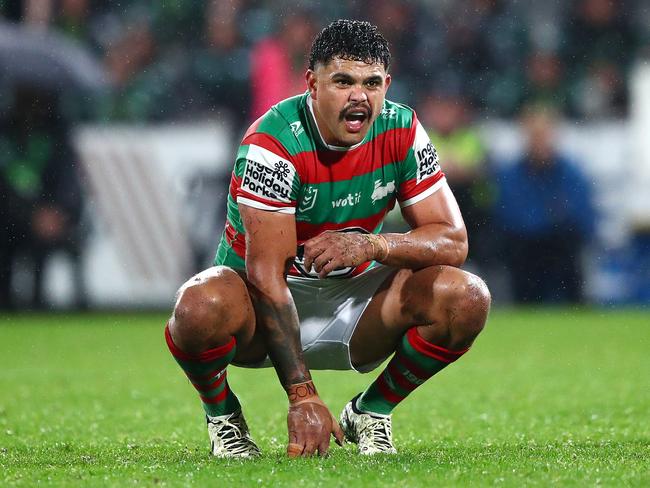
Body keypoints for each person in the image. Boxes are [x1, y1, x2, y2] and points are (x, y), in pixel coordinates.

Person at [165, 19, 491, 458]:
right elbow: (265, 276)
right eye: (343, 81)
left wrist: (373, 245)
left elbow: (453, 239)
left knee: (467, 297)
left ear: (387, 84)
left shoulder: (403, 130)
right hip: (262, 307)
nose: (360, 96)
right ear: (312, 84)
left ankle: (370, 412)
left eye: (372, 83)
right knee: (197, 308)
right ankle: (223, 417)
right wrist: (302, 396)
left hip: (355, 300)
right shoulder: (274, 142)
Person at [494, 104, 595, 303]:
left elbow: (583, 217)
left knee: (569, 249)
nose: (540, 142)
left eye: (544, 134)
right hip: (525, 249)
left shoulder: (571, 172)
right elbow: (509, 216)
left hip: (562, 247)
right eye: (534, 135)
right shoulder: (510, 174)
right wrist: (552, 217)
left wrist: (546, 221)